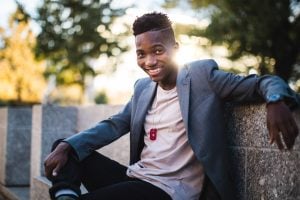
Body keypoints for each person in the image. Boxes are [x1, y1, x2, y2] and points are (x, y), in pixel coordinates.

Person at [44, 12, 300, 200]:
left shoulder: (202, 78)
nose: (149, 61)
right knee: (64, 149)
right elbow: (114, 125)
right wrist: (69, 145)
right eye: (141, 54)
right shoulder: (143, 89)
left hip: (169, 191)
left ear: (175, 48)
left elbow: (263, 82)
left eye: (158, 50)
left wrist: (276, 101)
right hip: (137, 179)